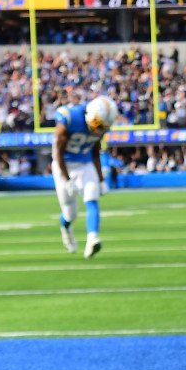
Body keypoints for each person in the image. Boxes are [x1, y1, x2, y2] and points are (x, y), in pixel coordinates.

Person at [53, 95, 119, 258]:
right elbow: (58, 154)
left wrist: (101, 180)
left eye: (103, 126)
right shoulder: (69, 119)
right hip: (64, 165)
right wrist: (67, 180)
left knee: (92, 198)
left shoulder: (100, 123)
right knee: (70, 213)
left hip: (85, 163)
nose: (98, 130)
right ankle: (66, 227)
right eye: (97, 125)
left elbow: (95, 153)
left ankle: (92, 239)